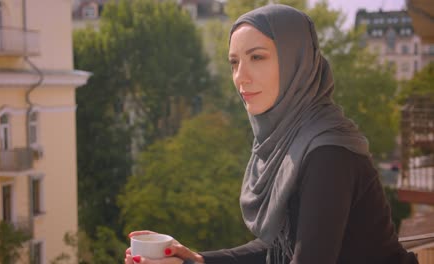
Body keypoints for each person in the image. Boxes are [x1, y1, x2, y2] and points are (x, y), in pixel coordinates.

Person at [125, 4, 418, 264]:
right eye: (234, 62)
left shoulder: (328, 152)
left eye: (257, 57)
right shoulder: (285, 139)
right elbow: (276, 246)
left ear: (297, 62)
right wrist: (195, 260)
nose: (240, 76)